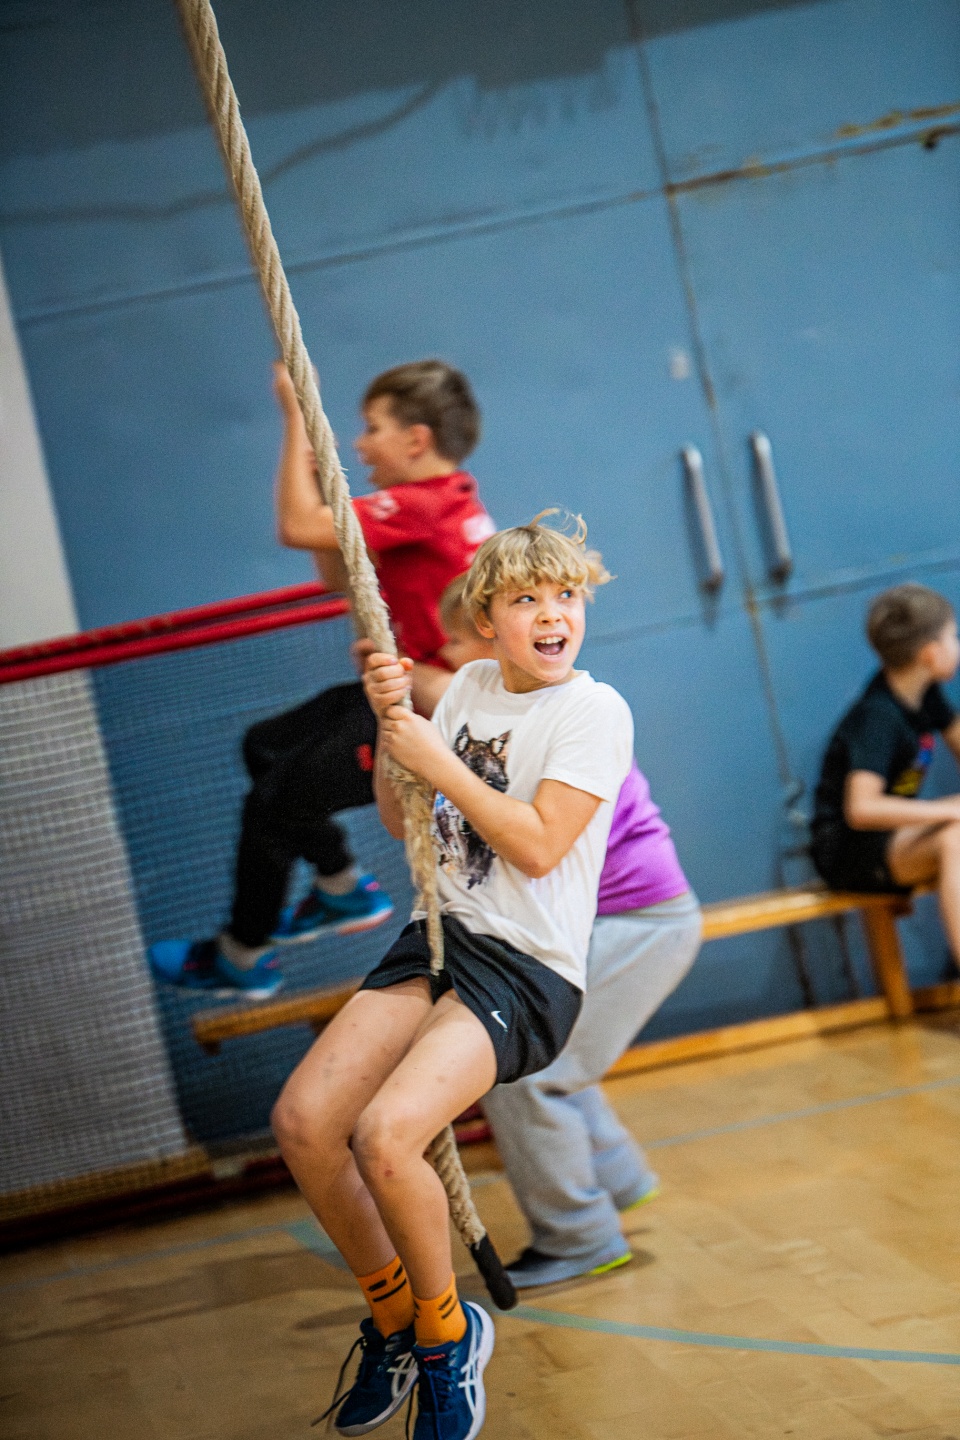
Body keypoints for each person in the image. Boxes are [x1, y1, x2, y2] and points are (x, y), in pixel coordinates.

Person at [271, 515, 633, 1439]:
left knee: (388, 1134)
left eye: (567, 596)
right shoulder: (469, 688)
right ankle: (396, 1319)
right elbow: (406, 822)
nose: (552, 614)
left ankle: (446, 1339)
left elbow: (539, 846)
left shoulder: (593, 712)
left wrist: (439, 759)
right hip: (440, 935)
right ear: (485, 621)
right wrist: (394, 733)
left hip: (526, 968)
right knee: (306, 1123)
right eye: (526, 599)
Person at [149, 360, 494, 999]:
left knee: (276, 801)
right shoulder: (442, 503)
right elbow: (337, 574)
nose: (361, 444)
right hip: (400, 687)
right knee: (264, 746)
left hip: (425, 713)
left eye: (373, 428)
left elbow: (296, 527)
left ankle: (242, 953)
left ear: (416, 440)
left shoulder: (424, 504)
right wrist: (317, 476)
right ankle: (340, 887)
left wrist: (295, 421)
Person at [483, 761, 702, 1288]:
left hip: (638, 922)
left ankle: (578, 1238)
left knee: (523, 1072)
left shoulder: (543, 719)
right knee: (558, 1058)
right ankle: (619, 1178)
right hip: (608, 921)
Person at [811, 583, 960, 959]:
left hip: (891, 840)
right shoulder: (877, 716)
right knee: (955, 839)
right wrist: (948, 809)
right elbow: (862, 809)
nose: (957, 646)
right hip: (849, 853)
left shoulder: (925, 696)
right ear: (930, 653)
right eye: (953, 636)